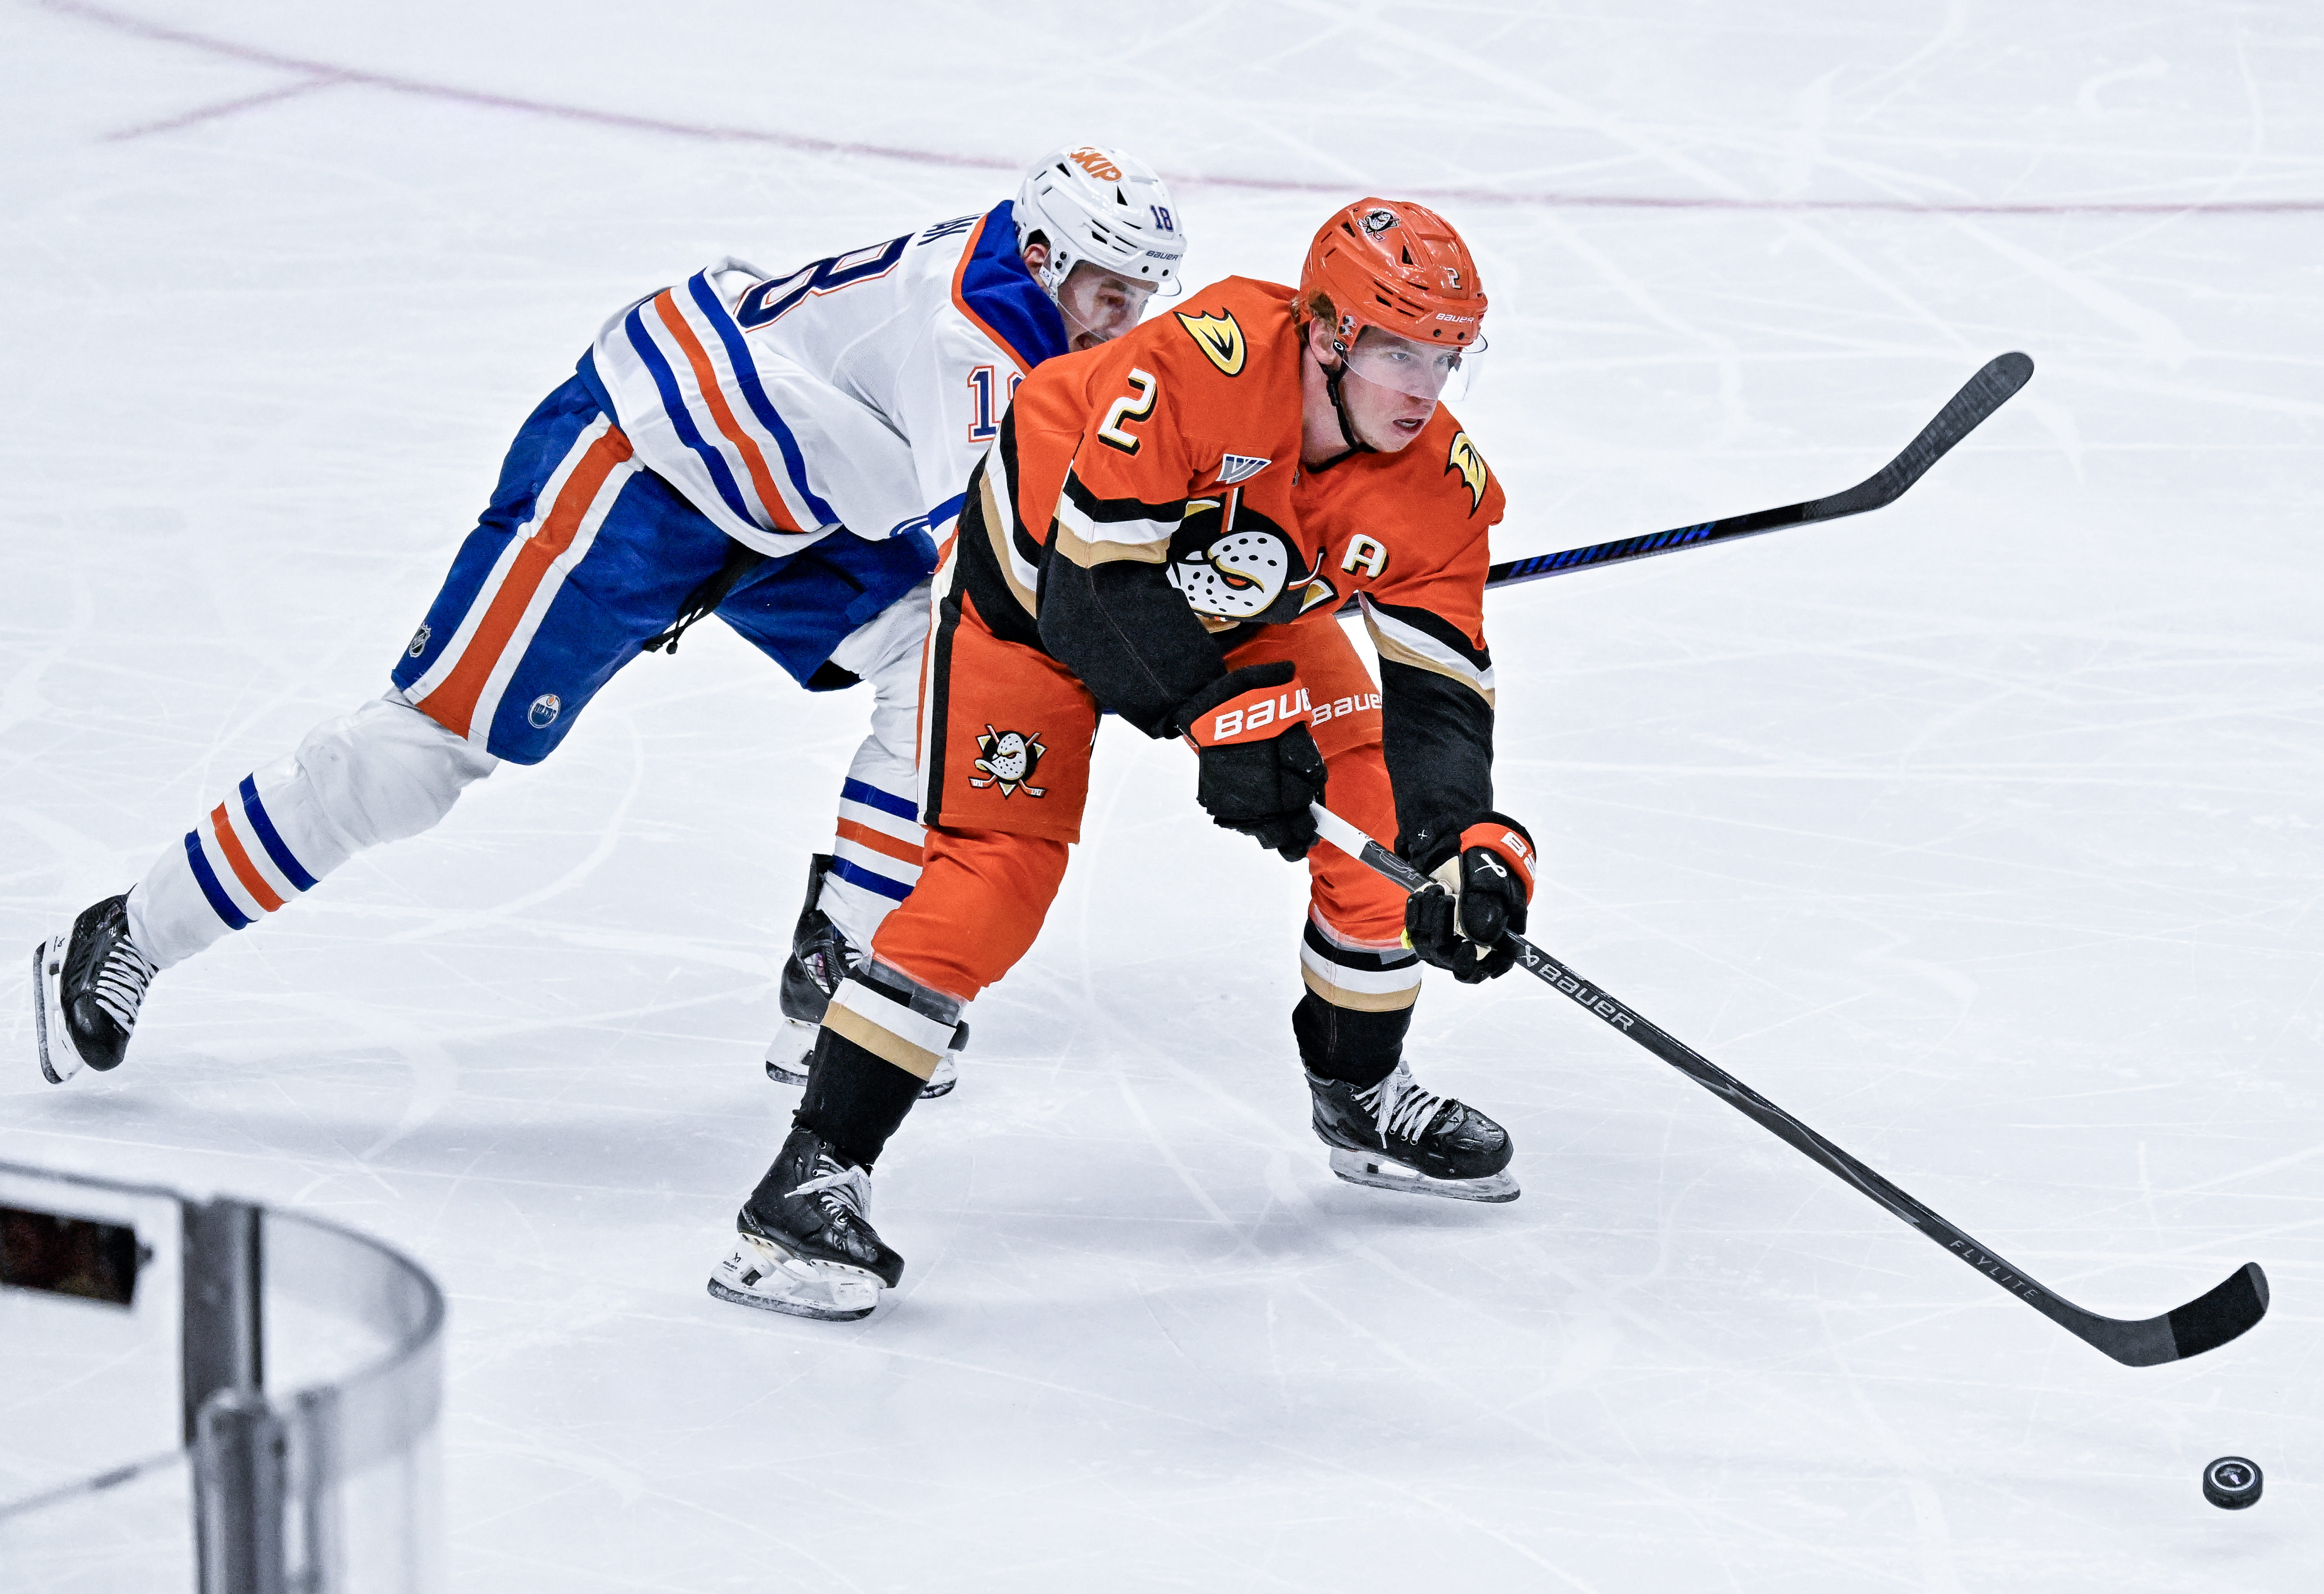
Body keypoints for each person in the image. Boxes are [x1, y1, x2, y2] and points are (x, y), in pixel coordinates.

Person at [32, 146, 1187, 1094]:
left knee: (928, 664)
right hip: (644, 464)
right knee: (420, 757)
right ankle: (129, 930)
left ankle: (839, 974)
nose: (1123, 319)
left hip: (794, 488)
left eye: (1140, 296)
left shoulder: (1028, 300)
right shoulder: (976, 345)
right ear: (1043, 257)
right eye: (1106, 291)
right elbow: (998, 564)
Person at [710, 199, 1539, 1322]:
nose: (1423, 389)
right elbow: (1094, 604)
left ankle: (1360, 1090)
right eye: (1400, 352)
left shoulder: (1440, 486)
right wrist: (1229, 723)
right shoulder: (1209, 366)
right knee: (996, 880)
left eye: (1446, 358)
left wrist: (1470, 845)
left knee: (1384, 809)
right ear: (1332, 334)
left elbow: (1440, 699)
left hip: (1230, 601)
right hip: (1040, 595)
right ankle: (808, 1181)